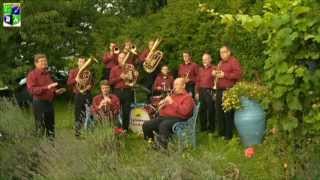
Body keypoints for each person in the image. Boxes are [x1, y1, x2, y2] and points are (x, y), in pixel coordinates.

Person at [142, 78, 195, 148]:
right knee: (146, 125)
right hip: (164, 118)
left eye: (177, 84)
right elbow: (162, 108)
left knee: (163, 125)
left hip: (178, 119)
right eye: (174, 84)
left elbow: (185, 112)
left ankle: (162, 147)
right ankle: (151, 142)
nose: (174, 87)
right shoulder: (172, 95)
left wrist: (172, 102)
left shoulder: (187, 98)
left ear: (183, 86)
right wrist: (162, 104)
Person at [27, 53, 66, 138]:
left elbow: (51, 88)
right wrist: (46, 87)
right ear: (36, 63)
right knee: (40, 128)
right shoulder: (32, 74)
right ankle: (39, 149)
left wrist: (56, 92)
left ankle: (51, 149)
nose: (44, 62)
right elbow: (32, 90)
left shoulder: (47, 74)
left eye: (45, 60)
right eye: (41, 61)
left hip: (49, 104)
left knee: (51, 128)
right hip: (39, 104)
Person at [213, 46, 242, 140]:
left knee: (228, 113)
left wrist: (225, 75)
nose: (222, 54)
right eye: (221, 52)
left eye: (224, 52)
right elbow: (219, 74)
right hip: (219, 89)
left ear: (229, 52)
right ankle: (220, 132)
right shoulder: (220, 63)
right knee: (219, 111)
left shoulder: (233, 61)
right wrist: (215, 73)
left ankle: (228, 135)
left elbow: (238, 74)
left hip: (229, 90)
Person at [67, 57, 93, 137]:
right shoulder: (73, 71)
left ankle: (88, 130)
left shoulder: (88, 72)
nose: (82, 63)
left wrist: (89, 86)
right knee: (78, 113)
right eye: (80, 62)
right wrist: (76, 80)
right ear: (78, 63)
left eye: (83, 62)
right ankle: (77, 132)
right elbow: (68, 82)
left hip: (87, 93)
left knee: (89, 112)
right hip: (78, 94)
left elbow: (91, 82)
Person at [109, 52, 135, 131]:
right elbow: (110, 82)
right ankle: (115, 129)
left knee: (127, 112)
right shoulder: (114, 69)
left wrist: (134, 75)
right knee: (115, 111)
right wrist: (120, 78)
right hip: (117, 92)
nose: (122, 59)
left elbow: (133, 80)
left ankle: (125, 130)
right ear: (118, 59)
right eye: (120, 57)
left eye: (124, 57)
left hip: (128, 91)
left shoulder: (130, 67)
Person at [195, 53, 216, 132]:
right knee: (202, 110)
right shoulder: (200, 69)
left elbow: (217, 81)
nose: (205, 61)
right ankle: (203, 128)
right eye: (203, 59)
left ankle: (211, 128)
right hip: (201, 91)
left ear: (210, 59)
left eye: (206, 59)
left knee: (211, 110)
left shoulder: (214, 68)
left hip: (209, 91)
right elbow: (197, 81)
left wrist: (215, 92)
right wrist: (196, 92)